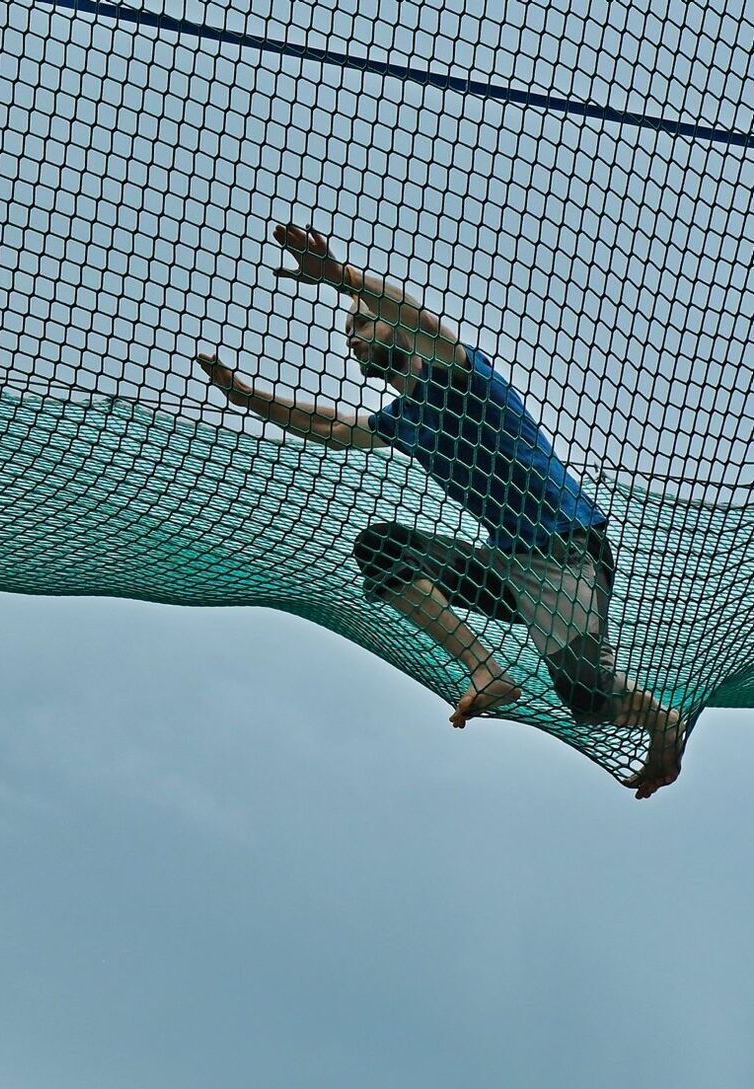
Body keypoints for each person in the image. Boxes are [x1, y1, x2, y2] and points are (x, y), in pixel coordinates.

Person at [196, 223, 683, 798]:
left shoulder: (459, 373)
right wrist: (245, 397)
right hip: (508, 570)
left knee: (589, 700)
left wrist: (336, 276)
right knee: (382, 549)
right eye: (346, 330)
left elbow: (419, 318)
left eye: (359, 323)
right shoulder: (403, 418)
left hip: (563, 551)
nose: (349, 340)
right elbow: (325, 425)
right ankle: (487, 673)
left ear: (392, 326)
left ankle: (663, 723)